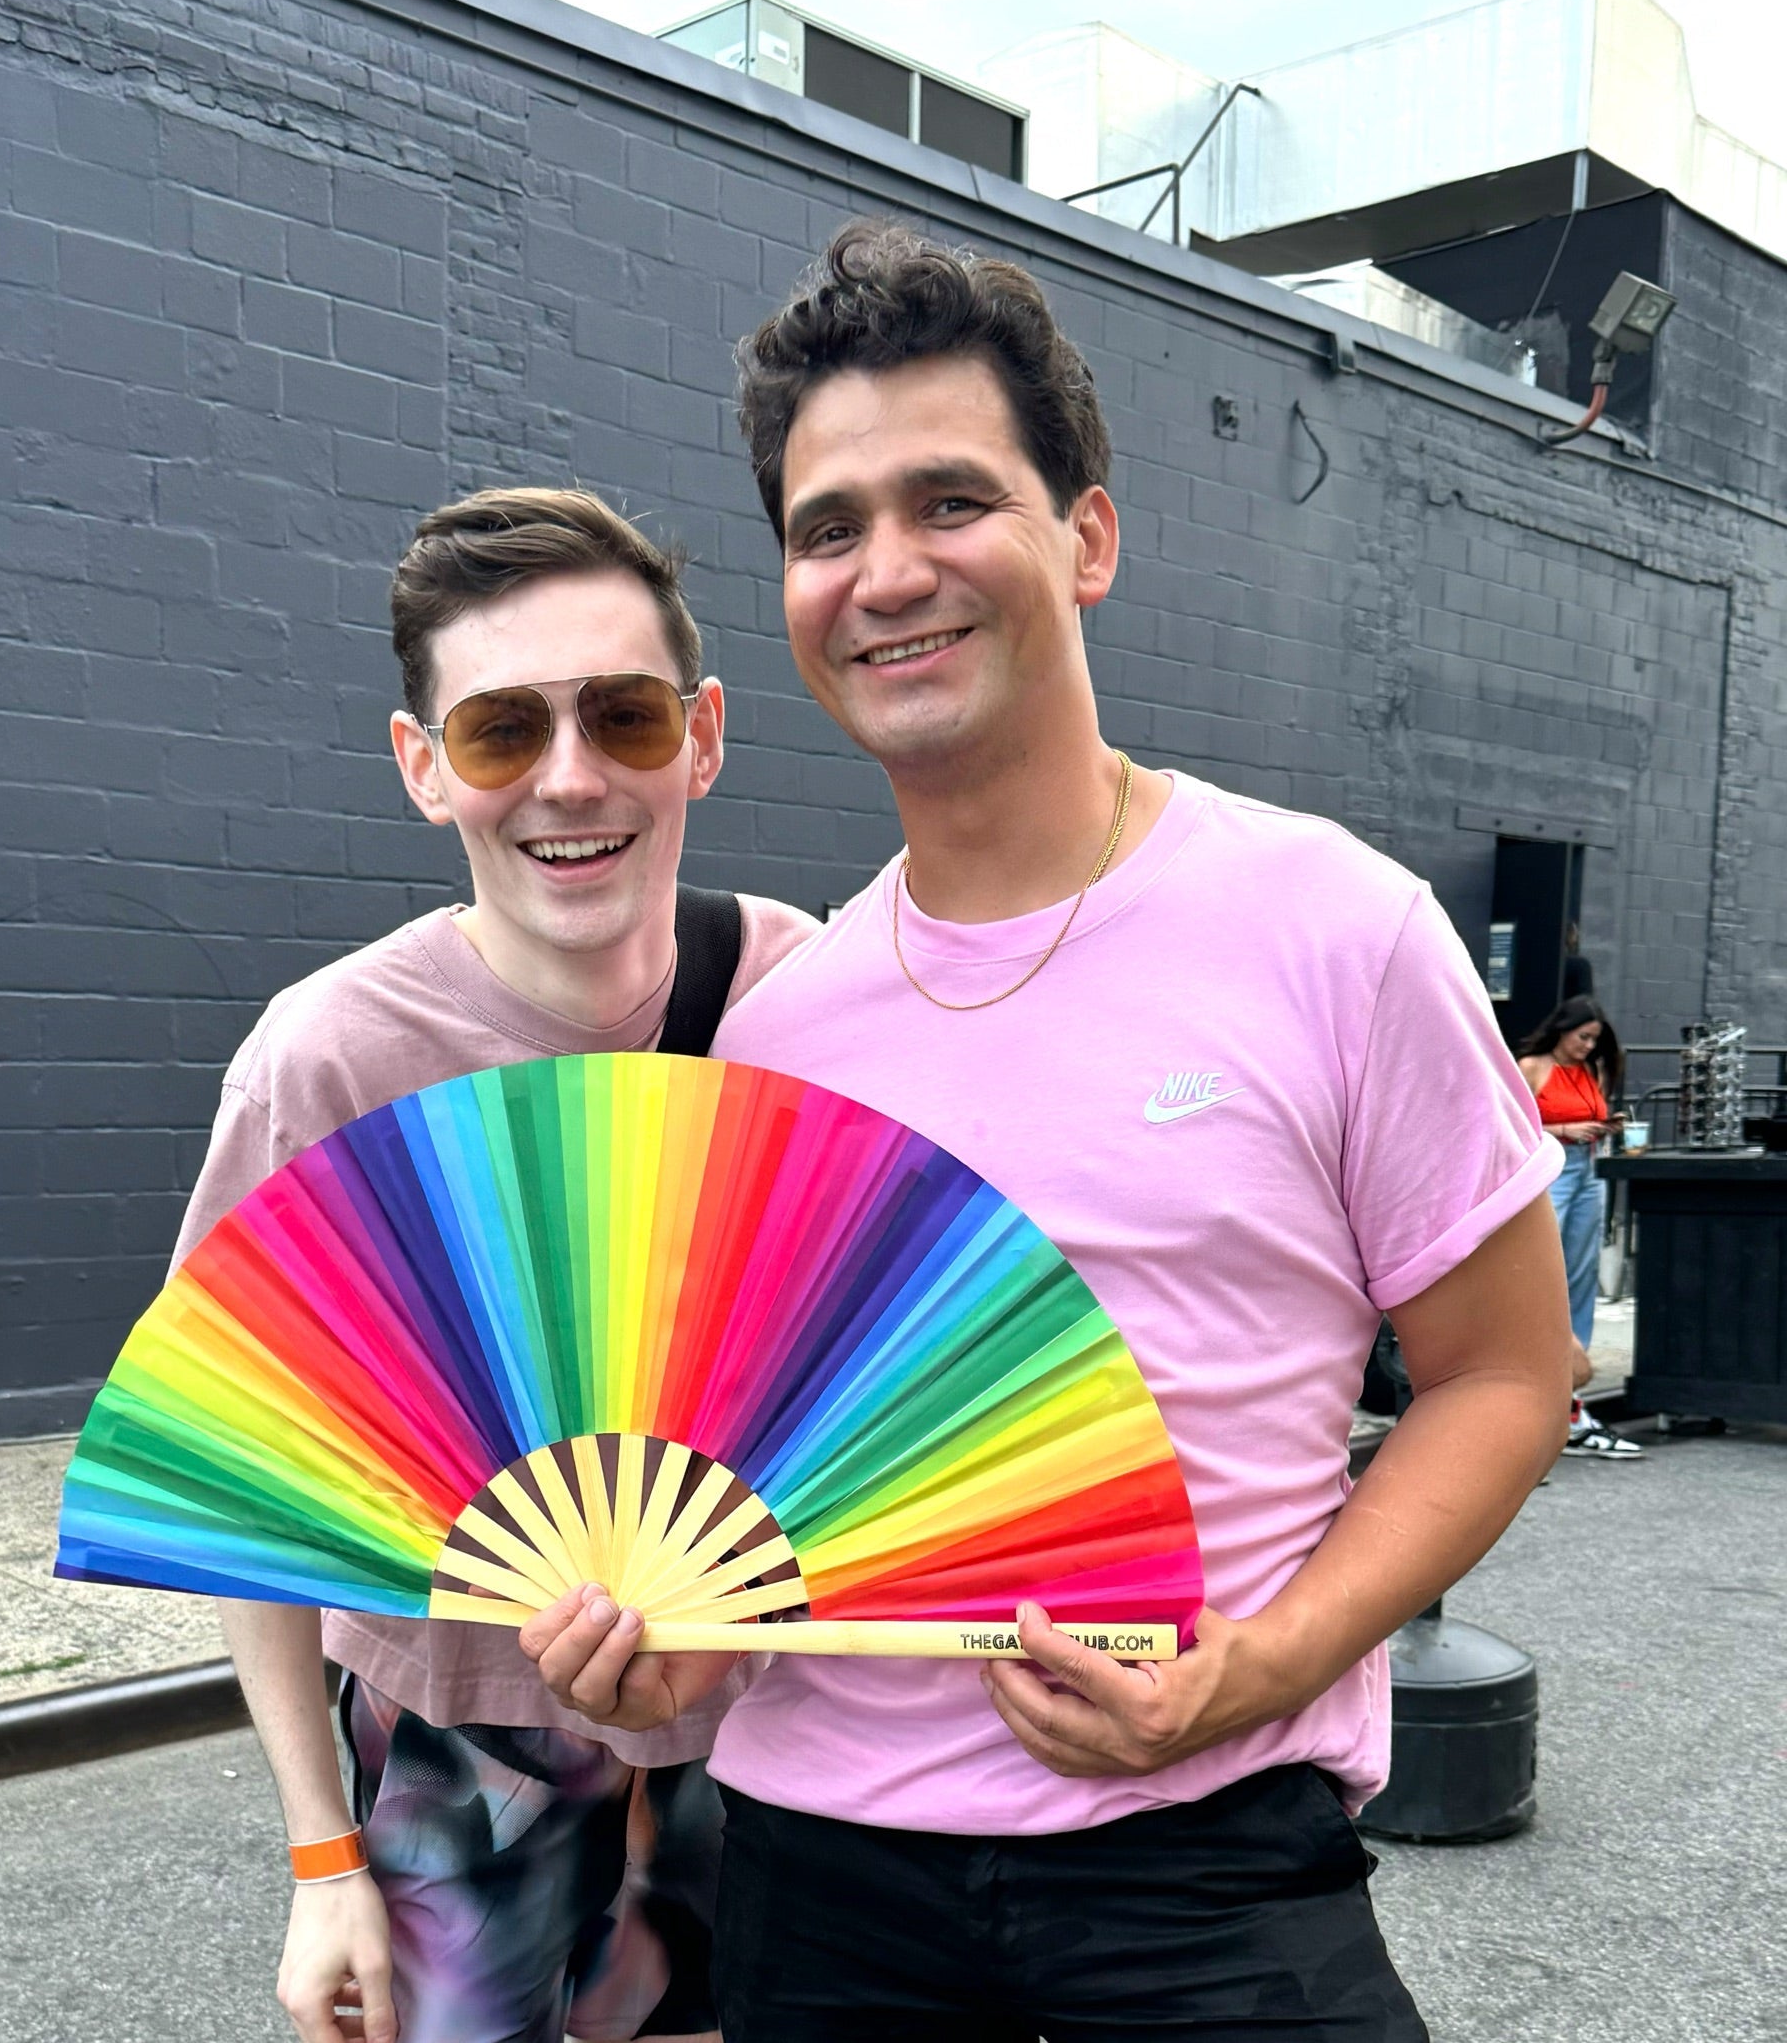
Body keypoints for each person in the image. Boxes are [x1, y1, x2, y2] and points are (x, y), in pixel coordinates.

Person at [523, 222, 1575, 2041]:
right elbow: (754, 1491)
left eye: (951, 499)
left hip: (1202, 1866)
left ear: (1084, 536)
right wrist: (653, 1652)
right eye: (825, 526)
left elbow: (1501, 1373)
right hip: (815, 1879)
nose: (886, 571)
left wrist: (1259, 1665)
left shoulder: (1333, 925)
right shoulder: (779, 1029)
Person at [176, 487, 815, 2043]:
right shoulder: (329, 1063)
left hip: (773, 1732)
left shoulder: (807, 1002)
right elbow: (251, 1493)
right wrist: (321, 1856)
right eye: (500, 732)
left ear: (705, 735)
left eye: (625, 715)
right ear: (423, 769)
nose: (572, 777)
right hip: (466, 1756)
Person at [1517, 995, 1642, 1460]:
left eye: (1594, 1040)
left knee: (1581, 1276)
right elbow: (1508, 1123)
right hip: (1553, 1166)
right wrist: (1567, 1131)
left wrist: (1603, 1127)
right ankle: (1553, 1399)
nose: (1588, 1046)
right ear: (1562, 1029)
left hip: (1589, 1169)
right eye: (1582, 1036)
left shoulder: (1593, 1071)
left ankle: (1572, 1391)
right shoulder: (1532, 1065)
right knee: (1545, 1275)